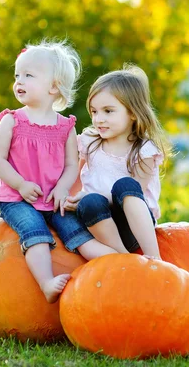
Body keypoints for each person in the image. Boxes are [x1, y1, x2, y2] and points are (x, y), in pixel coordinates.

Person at [0, 39, 117, 303]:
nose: (19, 81)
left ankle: (119, 263)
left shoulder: (65, 126)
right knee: (35, 230)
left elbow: (72, 164)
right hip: (16, 198)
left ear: (54, 86)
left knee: (76, 230)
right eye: (17, 75)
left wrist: (62, 187)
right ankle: (46, 282)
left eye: (28, 75)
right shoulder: (13, 120)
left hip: (52, 198)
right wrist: (21, 184)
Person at [64, 64, 171, 260]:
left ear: (132, 112)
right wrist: (68, 200)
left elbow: (134, 193)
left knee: (125, 185)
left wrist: (94, 193)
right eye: (94, 111)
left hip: (133, 227)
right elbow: (76, 179)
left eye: (108, 111)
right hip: (98, 226)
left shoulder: (143, 149)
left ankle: (154, 258)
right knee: (89, 201)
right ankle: (124, 259)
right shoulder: (90, 142)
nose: (99, 119)